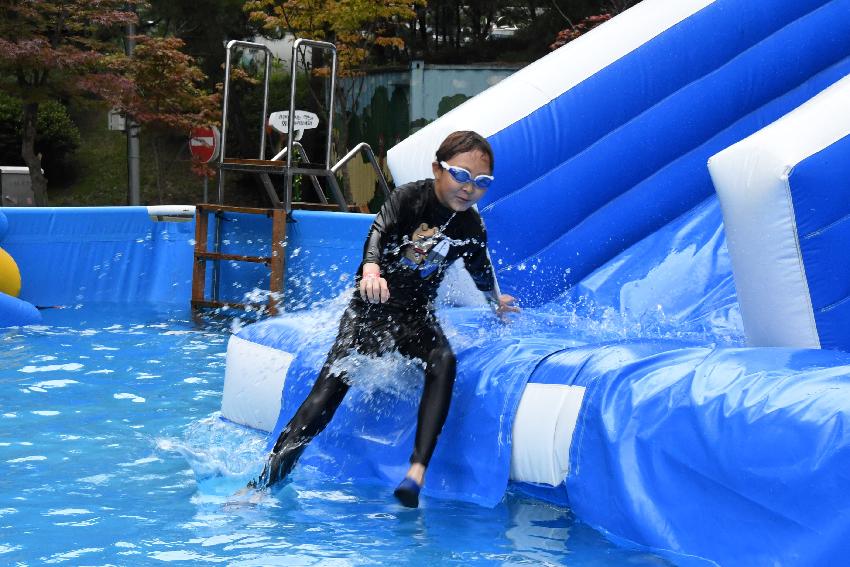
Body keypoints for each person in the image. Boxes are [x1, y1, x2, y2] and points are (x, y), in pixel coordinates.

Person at [250, 130, 518, 508]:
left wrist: (494, 300)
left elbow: (478, 267)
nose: (469, 187)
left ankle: (417, 471)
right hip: (370, 312)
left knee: (444, 360)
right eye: (460, 175)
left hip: (416, 316)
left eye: (481, 182)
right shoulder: (410, 198)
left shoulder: (469, 227)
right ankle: (262, 484)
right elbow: (379, 231)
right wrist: (372, 270)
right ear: (437, 169)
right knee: (326, 395)